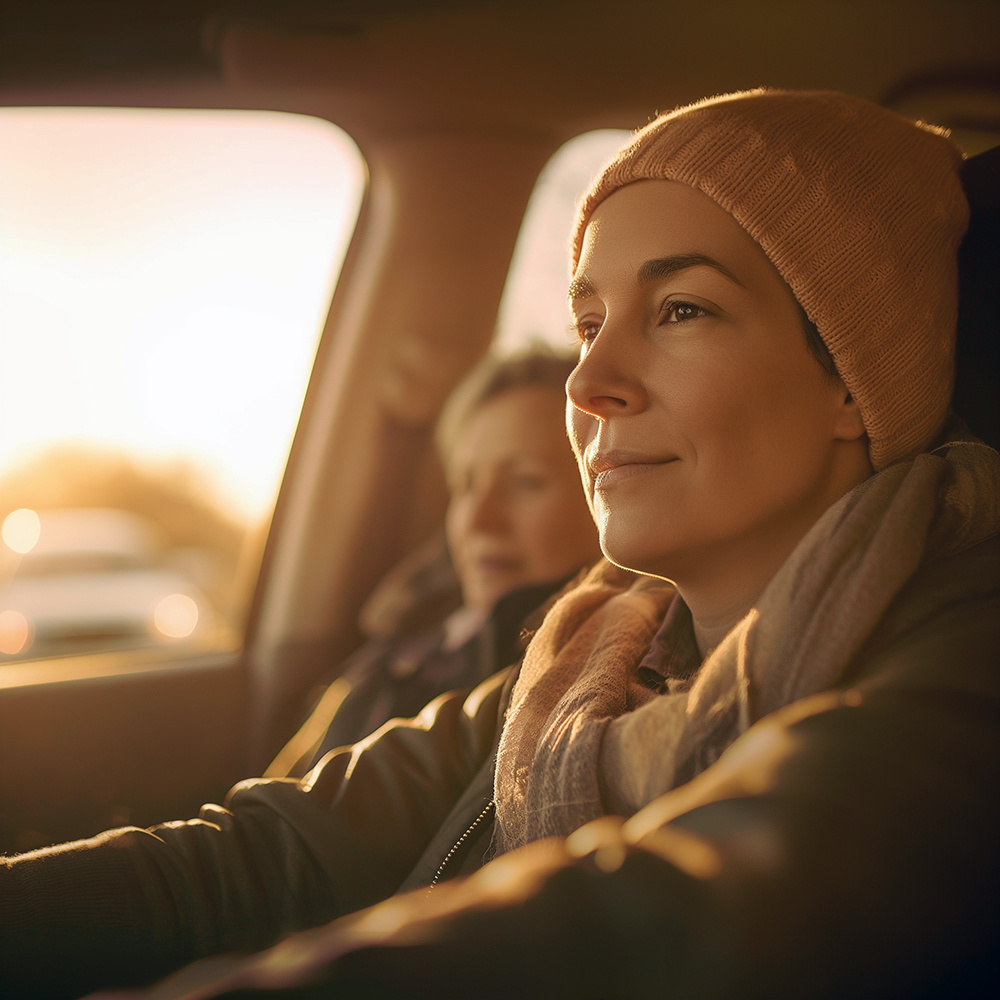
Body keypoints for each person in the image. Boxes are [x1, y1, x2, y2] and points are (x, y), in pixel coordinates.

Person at [1, 89, 997, 1000]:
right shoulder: (590, 656)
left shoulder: (964, 657)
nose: (588, 379)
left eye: (680, 309)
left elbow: (677, 922)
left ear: (850, 379)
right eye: (589, 319)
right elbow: (260, 859)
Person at [266, 350, 601, 776]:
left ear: (602, 495)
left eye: (525, 480)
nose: (479, 522)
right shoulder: (400, 636)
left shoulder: (575, 689)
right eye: (464, 485)